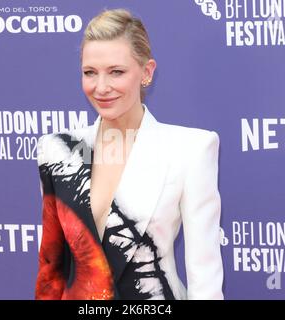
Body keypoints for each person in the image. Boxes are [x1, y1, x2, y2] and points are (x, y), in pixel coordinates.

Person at [35, 8, 224, 300]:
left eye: (116, 72)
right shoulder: (58, 149)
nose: (101, 87)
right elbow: (51, 265)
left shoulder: (190, 150)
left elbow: (205, 277)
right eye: (90, 73)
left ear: (146, 72)